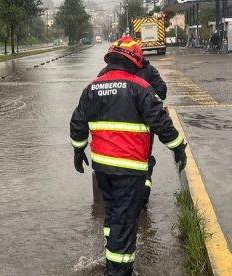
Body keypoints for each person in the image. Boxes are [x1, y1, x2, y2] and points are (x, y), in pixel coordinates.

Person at [70, 36, 187, 276]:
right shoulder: (141, 88)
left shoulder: (91, 88)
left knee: (113, 214)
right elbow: (160, 122)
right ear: (135, 61)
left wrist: (78, 149)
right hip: (130, 168)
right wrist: (177, 147)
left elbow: (77, 122)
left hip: (102, 168)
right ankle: (118, 271)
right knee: (125, 222)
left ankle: (113, 258)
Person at [98, 54, 168, 209]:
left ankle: (119, 200)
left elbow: (97, 99)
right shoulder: (148, 70)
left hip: (112, 131)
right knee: (142, 161)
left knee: (115, 162)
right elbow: (161, 92)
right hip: (141, 129)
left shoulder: (105, 72)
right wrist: (147, 99)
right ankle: (142, 192)